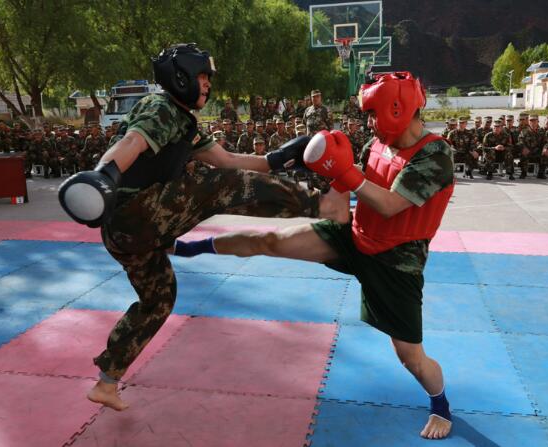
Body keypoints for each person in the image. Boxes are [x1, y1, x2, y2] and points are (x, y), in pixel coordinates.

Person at [57, 43, 348, 412]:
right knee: (215, 184)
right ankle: (324, 205)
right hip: (137, 214)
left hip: (130, 233)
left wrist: (277, 158)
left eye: (208, 78)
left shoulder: (185, 123)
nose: (208, 85)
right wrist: (104, 176)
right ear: (179, 78)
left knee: (159, 298)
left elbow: (227, 158)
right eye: (201, 77)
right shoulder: (160, 107)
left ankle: (107, 382)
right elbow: (133, 142)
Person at [173, 71, 455, 440]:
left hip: (395, 263)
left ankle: (442, 407)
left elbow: (389, 205)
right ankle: (188, 247)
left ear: (398, 108)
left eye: (373, 113)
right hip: (354, 238)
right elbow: (341, 208)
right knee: (271, 241)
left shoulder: (436, 155)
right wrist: (325, 173)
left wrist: (343, 171)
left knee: (411, 359)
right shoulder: (376, 144)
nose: (369, 122)